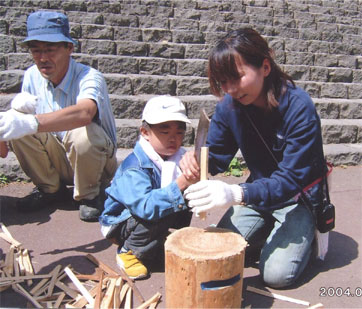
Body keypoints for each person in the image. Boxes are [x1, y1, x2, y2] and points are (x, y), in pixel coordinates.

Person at [180, 28, 328, 288]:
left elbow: (291, 179)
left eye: (236, 77)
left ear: (265, 67)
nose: (230, 89)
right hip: (257, 192)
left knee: (276, 276)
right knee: (219, 249)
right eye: (223, 82)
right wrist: (193, 161)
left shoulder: (298, 107)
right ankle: (266, 233)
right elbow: (215, 158)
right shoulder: (228, 106)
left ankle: (306, 233)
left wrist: (235, 194)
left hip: (299, 197)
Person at [0, 11, 117, 222]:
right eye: (36, 51)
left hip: (96, 161)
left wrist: (31, 122)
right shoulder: (31, 76)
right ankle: (50, 189)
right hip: (57, 152)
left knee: (82, 129)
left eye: (50, 50)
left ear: (69, 48)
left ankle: (90, 195)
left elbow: (84, 113)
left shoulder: (89, 76)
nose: (43, 58)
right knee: (16, 120)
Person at [99, 95, 194, 279]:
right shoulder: (135, 167)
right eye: (165, 132)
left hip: (143, 216)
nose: (173, 139)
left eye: (180, 132)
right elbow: (145, 207)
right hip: (121, 222)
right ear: (145, 132)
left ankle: (153, 240)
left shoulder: (176, 158)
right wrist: (181, 183)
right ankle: (129, 251)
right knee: (161, 204)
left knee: (180, 198)